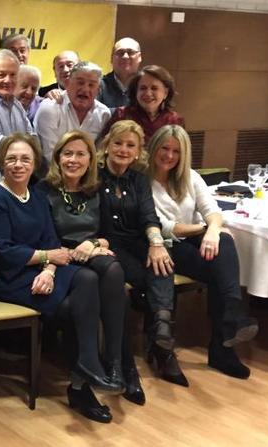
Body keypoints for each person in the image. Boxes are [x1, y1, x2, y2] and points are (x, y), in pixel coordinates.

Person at [0, 133, 123, 424]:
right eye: (11, 158)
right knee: (76, 306)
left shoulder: (37, 195)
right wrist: (47, 259)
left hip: (41, 271)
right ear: (1, 162)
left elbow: (51, 240)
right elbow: (3, 251)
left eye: (25, 159)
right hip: (13, 278)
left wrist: (49, 270)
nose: (18, 165)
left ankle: (85, 368)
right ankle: (82, 381)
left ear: (35, 164)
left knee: (87, 279)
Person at [38, 131, 145, 410]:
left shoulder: (96, 190)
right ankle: (113, 368)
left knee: (112, 272)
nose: (74, 160)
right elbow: (46, 240)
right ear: (58, 157)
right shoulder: (43, 190)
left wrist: (93, 243)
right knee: (97, 287)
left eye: (81, 154)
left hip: (92, 253)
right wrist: (76, 251)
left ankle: (113, 362)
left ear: (90, 159)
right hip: (58, 259)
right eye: (68, 153)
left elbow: (109, 234)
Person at [147, 125, 259, 379]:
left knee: (224, 243)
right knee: (222, 268)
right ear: (154, 147)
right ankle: (224, 342)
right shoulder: (142, 181)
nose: (169, 155)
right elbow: (164, 227)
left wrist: (212, 230)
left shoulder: (190, 176)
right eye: (164, 148)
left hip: (195, 239)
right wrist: (204, 228)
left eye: (176, 151)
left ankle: (230, 316)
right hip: (165, 246)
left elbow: (213, 210)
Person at [97, 121, 185, 386]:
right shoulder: (94, 175)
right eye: (118, 143)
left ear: (138, 152)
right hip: (107, 244)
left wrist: (157, 244)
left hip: (136, 241)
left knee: (163, 263)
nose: (123, 149)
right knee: (148, 279)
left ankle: (160, 332)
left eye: (130, 145)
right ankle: (162, 346)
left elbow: (149, 216)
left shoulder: (138, 179)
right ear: (107, 145)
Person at [35, 61, 111, 161]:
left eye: (91, 85)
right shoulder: (50, 108)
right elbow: (50, 156)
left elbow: (98, 155)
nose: (85, 89)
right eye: (80, 82)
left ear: (98, 90)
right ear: (67, 83)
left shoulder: (104, 114)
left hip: (86, 174)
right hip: (51, 174)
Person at [102, 64, 184, 142]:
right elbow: (105, 146)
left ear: (165, 93)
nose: (148, 93)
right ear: (136, 91)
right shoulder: (122, 115)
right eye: (143, 88)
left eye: (154, 88)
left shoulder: (175, 120)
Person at [98, 37, 142, 110]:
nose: (125, 56)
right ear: (111, 58)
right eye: (120, 53)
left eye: (130, 52)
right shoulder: (98, 86)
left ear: (139, 57)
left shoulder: (146, 87)